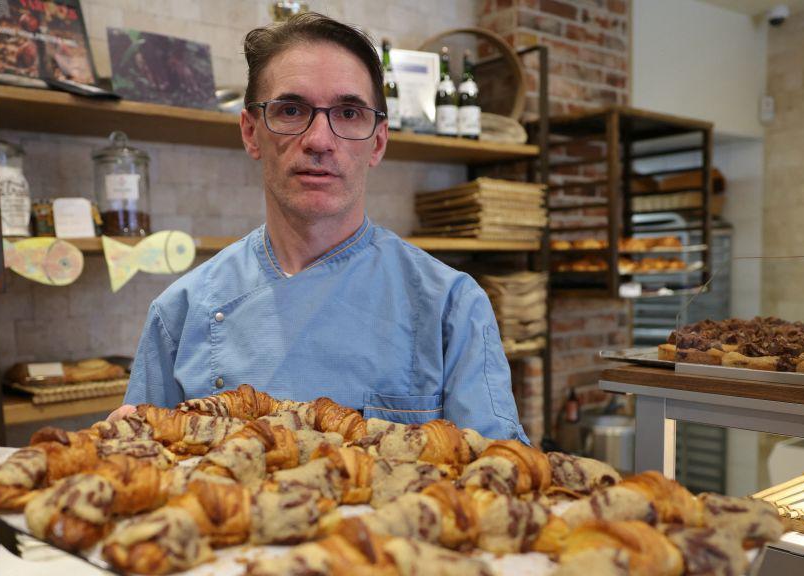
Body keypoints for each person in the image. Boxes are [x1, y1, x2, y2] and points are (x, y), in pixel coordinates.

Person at [111, 12, 528, 443]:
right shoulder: (179, 315)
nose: (319, 140)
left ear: (378, 142)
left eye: (348, 113)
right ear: (251, 133)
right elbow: (144, 475)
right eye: (291, 110)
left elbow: (502, 480)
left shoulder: (452, 308)